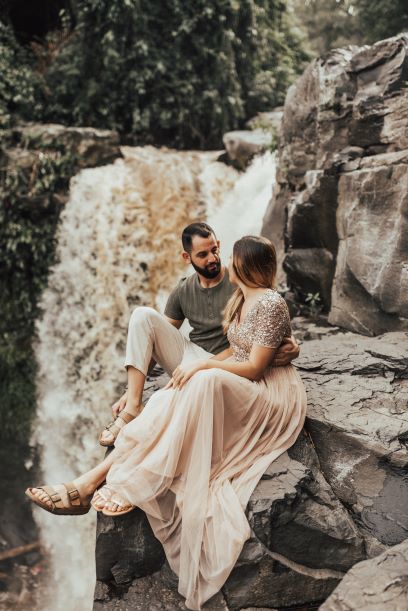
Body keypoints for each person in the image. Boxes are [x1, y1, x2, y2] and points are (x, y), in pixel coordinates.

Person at [26, 234, 307, 611]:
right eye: (207, 253)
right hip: (230, 376)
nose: (220, 261)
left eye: (227, 255)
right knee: (174, 393)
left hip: (265, 393)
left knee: (198, 381)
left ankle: (110, 480)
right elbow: (229, 347)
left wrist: (205, 364)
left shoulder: (268, 301)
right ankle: (97, 476)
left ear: (243, 264)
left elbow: (256, 366)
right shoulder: (235, 295)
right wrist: (168, 375)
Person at [98, 222, 299, 446]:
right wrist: (132, 389)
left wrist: (294, 346)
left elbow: (272, 315)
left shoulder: (241, 280)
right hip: (190, 356)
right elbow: (152, 340)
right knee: (142, 315)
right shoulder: (183, 290)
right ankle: (134, 406)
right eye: (202, 254)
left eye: (214, 250)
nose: (212, 258)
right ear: (187, 257)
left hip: (226, 363)